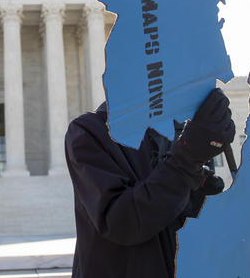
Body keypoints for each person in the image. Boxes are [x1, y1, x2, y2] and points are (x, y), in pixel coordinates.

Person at [65, 88, 235, 278]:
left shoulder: (173, 131)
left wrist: (202, 189)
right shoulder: (89, 131)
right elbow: (121, 220)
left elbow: (174, 221)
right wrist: (187, 158)